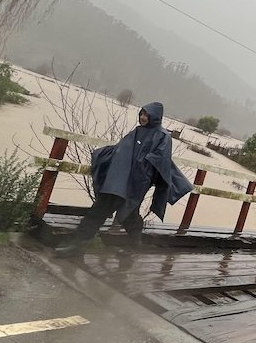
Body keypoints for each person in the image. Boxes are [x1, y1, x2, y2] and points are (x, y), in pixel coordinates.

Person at [55, 102, 193, 258]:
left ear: (155, 117)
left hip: (134, 185)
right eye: (141, 114)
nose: (142, 118)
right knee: (98, 213)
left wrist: (138, 167)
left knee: (129, 216)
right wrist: (108, 154)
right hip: (117, 182)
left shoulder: (162, 137)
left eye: (146, 115)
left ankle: (132, 249)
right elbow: (122, 149)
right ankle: (77, 248)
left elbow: (159, 161)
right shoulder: (137, 131)